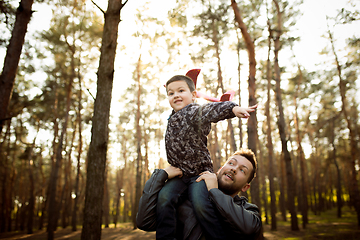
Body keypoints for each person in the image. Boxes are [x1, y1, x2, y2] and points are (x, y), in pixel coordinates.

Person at [156, 73, 257, 240]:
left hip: (198, 175)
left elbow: (212, 110)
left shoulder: (195, 111)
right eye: (171, 93)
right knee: (165, 198)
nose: (176, 95)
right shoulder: (172, 117)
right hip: (180, 174)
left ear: (194, 95)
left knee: (201, 206)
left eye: (181, 90)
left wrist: (233, 109)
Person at [136, 149, 262, 240]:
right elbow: (145, 222)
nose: (234, 169)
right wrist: (160, 176)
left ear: (245, 187)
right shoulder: (185, 198)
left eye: (242, 170)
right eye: (231, 163)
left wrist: (214, 191)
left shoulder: (248, 210)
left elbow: (250, 229)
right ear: (219, 170)